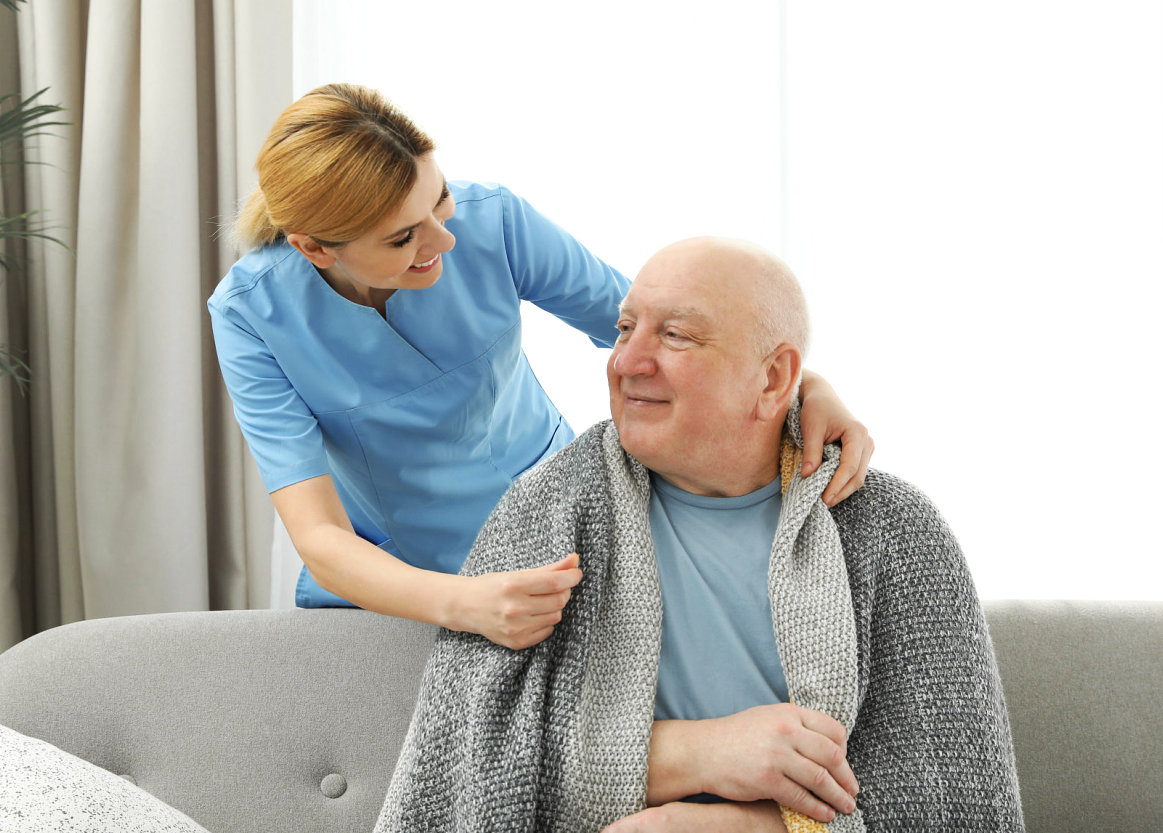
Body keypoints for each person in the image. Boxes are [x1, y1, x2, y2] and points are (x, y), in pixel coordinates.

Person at [376, 238, 1024, 832]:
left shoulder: (893, 529)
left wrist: (752, 826)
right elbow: (463, 777)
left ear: (772, 379)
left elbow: (954, 794)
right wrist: (696, 753)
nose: (626, 360)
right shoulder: (542, 514)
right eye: (624, 328)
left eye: (676, 335)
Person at [208, 83, 874, 648]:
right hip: (401, 581)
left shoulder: (491, 221)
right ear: (314, 248)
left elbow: (655, 334)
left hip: (558, 531)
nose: (444, 239)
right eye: (401, 237)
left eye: (437, 199)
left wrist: (797, 385)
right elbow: (319, 534)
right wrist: (461, 603)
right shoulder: (251, 315)